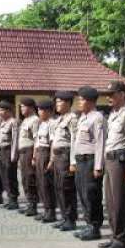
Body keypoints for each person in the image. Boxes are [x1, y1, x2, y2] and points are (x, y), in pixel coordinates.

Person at [99, 80, 125, 248]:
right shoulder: (113, 114)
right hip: (109, 160)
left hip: (120, 160)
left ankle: (121, 238)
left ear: (122, 94)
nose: (109, 98)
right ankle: (114, 235)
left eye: (112, 94)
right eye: (107, 95)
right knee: (110, 200)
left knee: (120, 201)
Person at [72, 86, 106, 241]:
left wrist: (98, 166)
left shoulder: (97, 117)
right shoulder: (82, 118)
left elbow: (100, 143)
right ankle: (88, 225)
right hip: (80, 160)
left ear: (90, 101)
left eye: (82, 99)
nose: (79, 102)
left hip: (90, 160)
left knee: (91, 194)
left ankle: (94, 227)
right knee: (82, 193)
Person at [50, 91, 79, 231]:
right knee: (58, 187)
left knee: (66, 187)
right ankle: (64, 217)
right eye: (56, 102)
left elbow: (74, 140)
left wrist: (73, 161)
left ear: (68, 103)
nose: (57, 104)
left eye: (59, 102)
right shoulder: (60, 119)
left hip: (65, 155)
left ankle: (70, 219)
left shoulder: (72, 118)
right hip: (57, 156)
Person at [34, 98, 57, 223]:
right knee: (40, 183)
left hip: (46, 153)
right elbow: (37, 142)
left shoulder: (52, 123)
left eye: (41, 109)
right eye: (38, 109)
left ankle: (51, 211)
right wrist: (34, 156)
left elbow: (53, 143)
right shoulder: (42, 123)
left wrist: (51, 160)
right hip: (39, 153)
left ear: (48, 111)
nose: (39, 112)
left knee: (47, 184)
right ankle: (46, 209)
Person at [15, 97, 40, 216]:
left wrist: (34, 156)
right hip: (23, 152)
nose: (21, 109)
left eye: (23, 106)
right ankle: (29, 202)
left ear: (30, 107)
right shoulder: (25, 120)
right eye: (20, 107)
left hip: (29, 151)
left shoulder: (35, 120)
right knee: (25, 179)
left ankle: (33, 205)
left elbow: (36, 140)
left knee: (30, 178)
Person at [0, 101, 20, 210]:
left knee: (10, 176)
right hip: (0, 152)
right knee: (4, 176)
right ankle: (9, 199)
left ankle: (14, 200)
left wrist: (14, 155)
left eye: (2, 110)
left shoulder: (13, 122)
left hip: (8, 151)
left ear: (8, 111)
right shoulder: (1, 123)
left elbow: (15, 140)